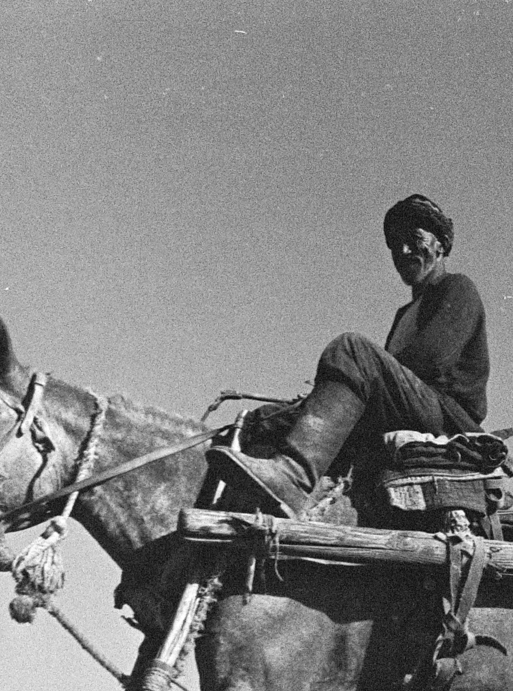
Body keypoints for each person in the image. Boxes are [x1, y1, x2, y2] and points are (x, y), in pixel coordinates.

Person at [207, 194, 489, 517]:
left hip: (446, 418)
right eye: (395, 245)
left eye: (414, 239)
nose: (403, 251)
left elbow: (429, 361)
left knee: (351, 349)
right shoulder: (405, 314)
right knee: (267, 419)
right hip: (411, 406)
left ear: (439, 245)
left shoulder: (458, 288)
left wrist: (356, 383)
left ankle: (293, 474)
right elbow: (387, 381)